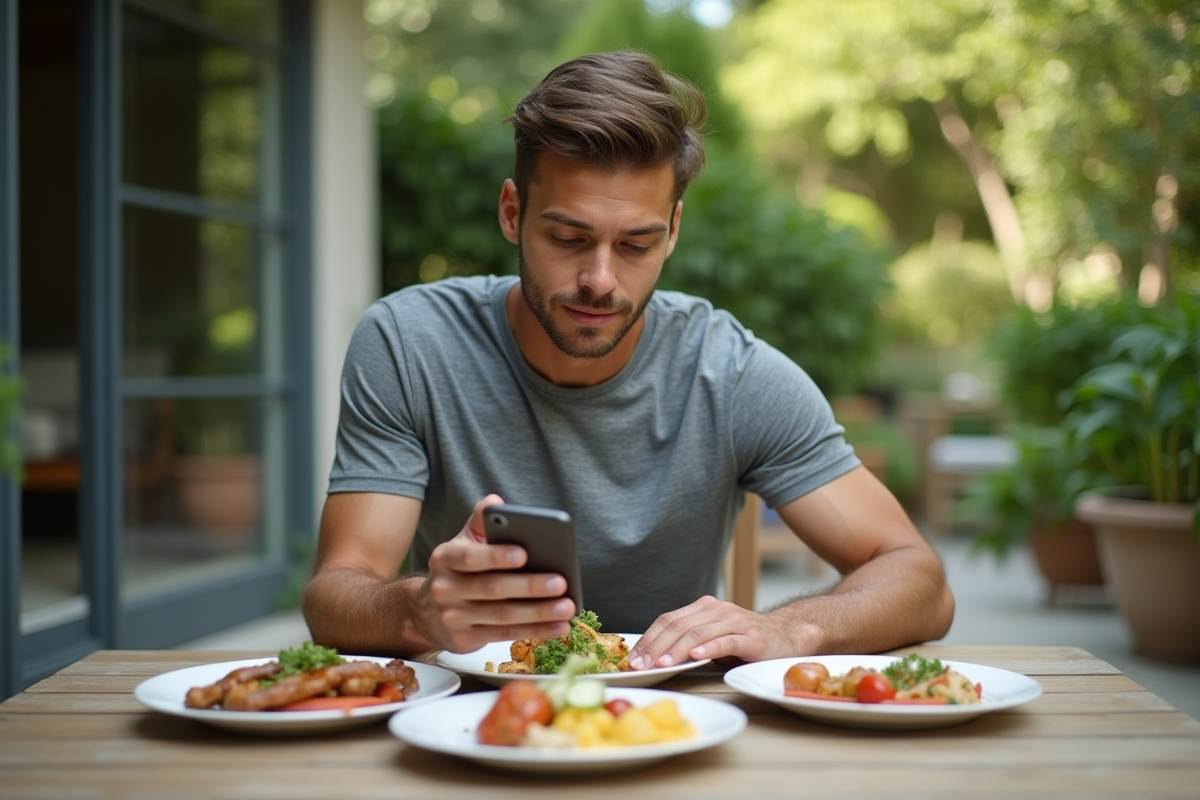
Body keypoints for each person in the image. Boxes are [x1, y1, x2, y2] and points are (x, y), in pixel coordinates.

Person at [302, 50, 954, 670]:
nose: (601, 280)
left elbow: (919, 579)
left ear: (672, 231)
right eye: (568, 238)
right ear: (511, 213)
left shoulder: (732, 375)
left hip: (676, 725)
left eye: (637, 244)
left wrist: (790, 627)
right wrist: (418, 610)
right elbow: (336, 594)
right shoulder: (409, 343)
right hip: (470, 723)